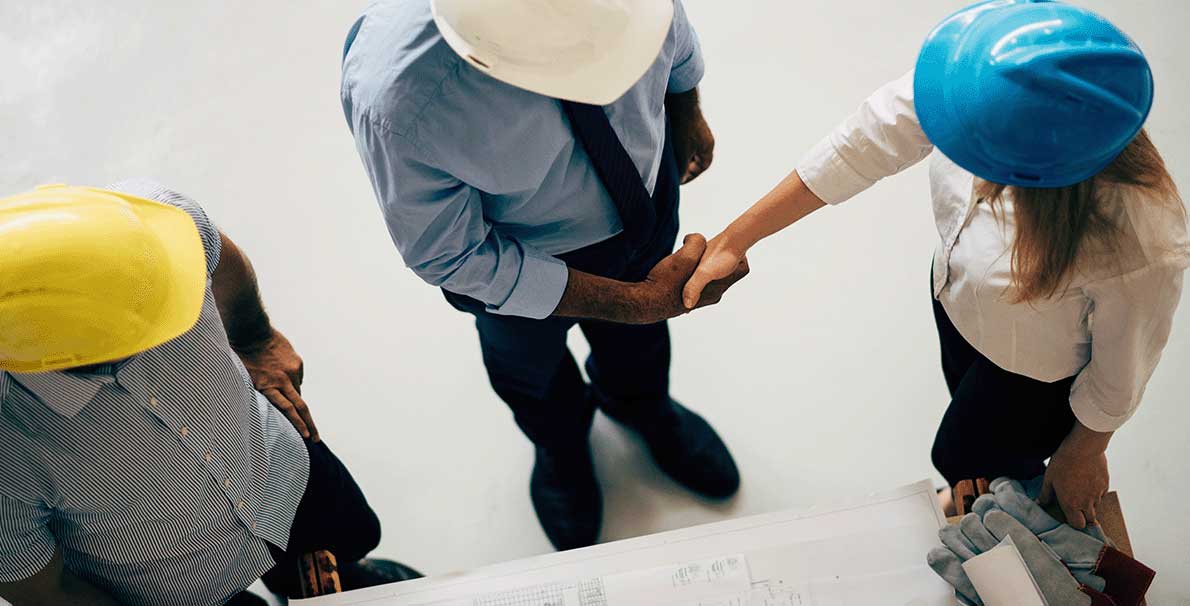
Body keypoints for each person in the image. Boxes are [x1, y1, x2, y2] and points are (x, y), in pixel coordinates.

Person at [684, 0, 1188, 529]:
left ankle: (990, 493)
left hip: (1034, 375)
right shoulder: (983, 78)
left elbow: (1120, 368)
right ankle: (981, 485)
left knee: (963, 452)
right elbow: (867, 139)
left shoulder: (1138, 244)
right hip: (958, 300)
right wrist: (736, 240)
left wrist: (1083, 451)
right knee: (967, 421)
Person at [341, 0, 749, 551]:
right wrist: (634, 302)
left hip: (646, 201)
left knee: (642, 345)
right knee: (530, 375)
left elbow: (669, 27)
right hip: (519, 266)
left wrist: (686, 109)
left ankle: (642, 406)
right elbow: (450, 254)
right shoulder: (399, 96)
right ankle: (561, 447)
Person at [0, 181, 419, 606]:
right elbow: (47, 591)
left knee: (350, 545)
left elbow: (214, 252)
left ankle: (356, 574)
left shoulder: (154, 229)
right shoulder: (7, 440)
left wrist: (257, 338)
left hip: (277, 469)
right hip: (184, 589)